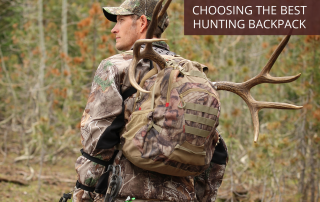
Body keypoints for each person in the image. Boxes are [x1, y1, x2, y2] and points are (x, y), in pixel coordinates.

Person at [73, 0, 228, 201]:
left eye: (121, 20)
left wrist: (83, 193)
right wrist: (205, 196)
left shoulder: (117, 66)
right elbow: (214, 145)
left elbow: (97, 139)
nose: (114, 29)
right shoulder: (191, 73)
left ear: (142, 22)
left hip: (125, 195)